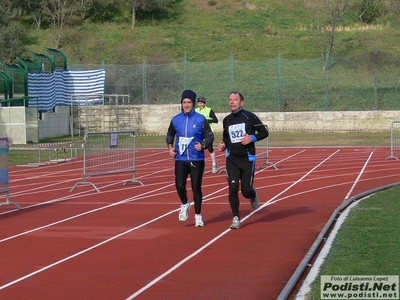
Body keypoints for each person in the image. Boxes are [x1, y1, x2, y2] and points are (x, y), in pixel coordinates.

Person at [217, 91, 269, 229]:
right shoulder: (227, 120)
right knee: (233, 188)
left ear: (242, 103)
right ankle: (236, 218)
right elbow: (226, 138)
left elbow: (264, 132)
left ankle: (253, 193)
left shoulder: (250, 117)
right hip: (232, 159)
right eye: (230, 99)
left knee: (245, 191)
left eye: (235, 99)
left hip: (247, 159)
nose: (232, 102)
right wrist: (223, 145)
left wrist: (252, 138)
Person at [166, 89, 214, 227]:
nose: (186, 105)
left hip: (196, 159)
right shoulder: (176, 119)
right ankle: (185, 203)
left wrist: (203, 145)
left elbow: (210, 136)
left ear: (193, 104)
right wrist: (170, 147)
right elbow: (170, 134)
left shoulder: (200, 119)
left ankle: (198, 215)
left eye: (189, 102)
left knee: (196, 187)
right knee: (180, 185)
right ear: (181, 103)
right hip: (180, 158)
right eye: (184, 102)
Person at [195, 96, 219, 173]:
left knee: (209, 148)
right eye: (198, 103)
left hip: (208, 132)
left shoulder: (209, 110)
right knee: (198, 147)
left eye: (201, 103)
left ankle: (214, 163)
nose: (200, 104)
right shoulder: (195, 110)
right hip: (198, 131)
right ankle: (199, 166)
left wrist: (206, 120)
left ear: (204, 103)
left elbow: (216, 120)